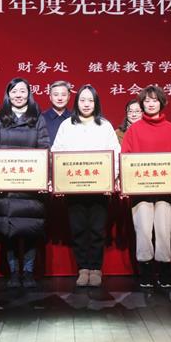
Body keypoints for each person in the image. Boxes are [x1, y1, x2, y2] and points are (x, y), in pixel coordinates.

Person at [52, 84, 121, 287]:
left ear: (96, 103)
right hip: (74, 188)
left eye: (90, 100)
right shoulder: (67, 125)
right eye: (82, 100)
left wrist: (111, 179)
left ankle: (96, 268)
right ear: (76, 102)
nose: (86, 104)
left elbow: (116, 154)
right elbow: (56, 152)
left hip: (100, 189)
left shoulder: (105, 126)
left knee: (97, 230)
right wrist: (59, 179)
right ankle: (83, 268)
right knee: (79, 229)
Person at [0, 78, 50, 289]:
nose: (18, 95)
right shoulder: (0, 120)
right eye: (14, 91)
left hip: (31, 185)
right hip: (6, 186)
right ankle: (14, 272)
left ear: (29, 94)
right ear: (8, 95)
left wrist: (41, 176)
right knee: (9, 231)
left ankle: (29, 272)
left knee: (30, 229)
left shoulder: (38, 119)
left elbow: (44, 148)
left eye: (23, 91)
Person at [121, 85, 171, 288]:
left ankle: (164, 270)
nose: (150, 104)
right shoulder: (134, 130)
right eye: (146, 100)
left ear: (161, 103)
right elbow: (125, 158)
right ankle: (146, 271)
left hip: (165, 190)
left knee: (164, 230)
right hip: (140, 191)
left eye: (154, 100)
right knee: (144, 230)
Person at [41, 80, 72, 145]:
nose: (60, 98)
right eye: (56, 95)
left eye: (63, 95)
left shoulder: (75, 118)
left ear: (69, 96)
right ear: (50, 97)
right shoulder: (41, 118)